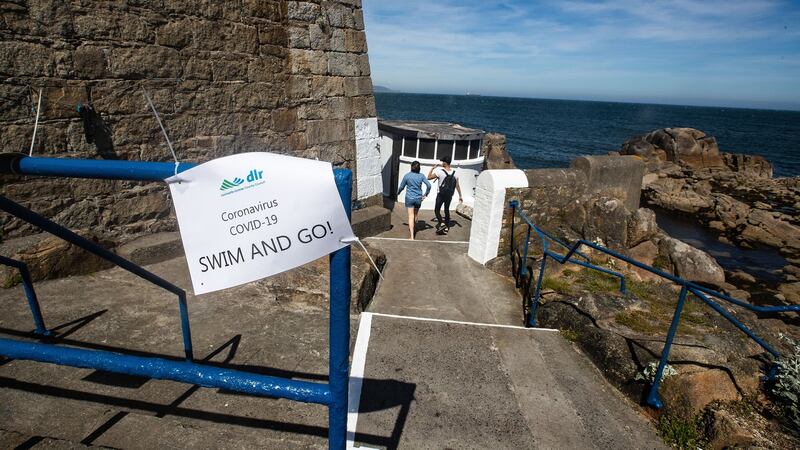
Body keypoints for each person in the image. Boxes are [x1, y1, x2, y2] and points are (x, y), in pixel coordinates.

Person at [427, 155, 462, 234]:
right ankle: (447, 227)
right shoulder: (455, 173)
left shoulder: (439, 172)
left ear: (445, 163)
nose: (442, 163)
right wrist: (460, 196)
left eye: (443, 161)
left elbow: (428, 177)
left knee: (437, 210)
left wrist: (432, 168)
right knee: (446, 210)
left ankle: (442, 223)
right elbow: (457, 186)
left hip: (441, 194)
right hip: (449, 195)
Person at [397, 161, 431, 240]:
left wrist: (398, 193)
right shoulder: (421, 176)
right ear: (419, 168)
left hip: (409, 198)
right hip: (418, 199)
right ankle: (414, 228)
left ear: (411, 167)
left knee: (410, 216)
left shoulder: (407, 176)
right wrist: (425, 194)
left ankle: (412, 236)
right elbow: (429, 185)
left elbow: (401, 187)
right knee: (415, 215)